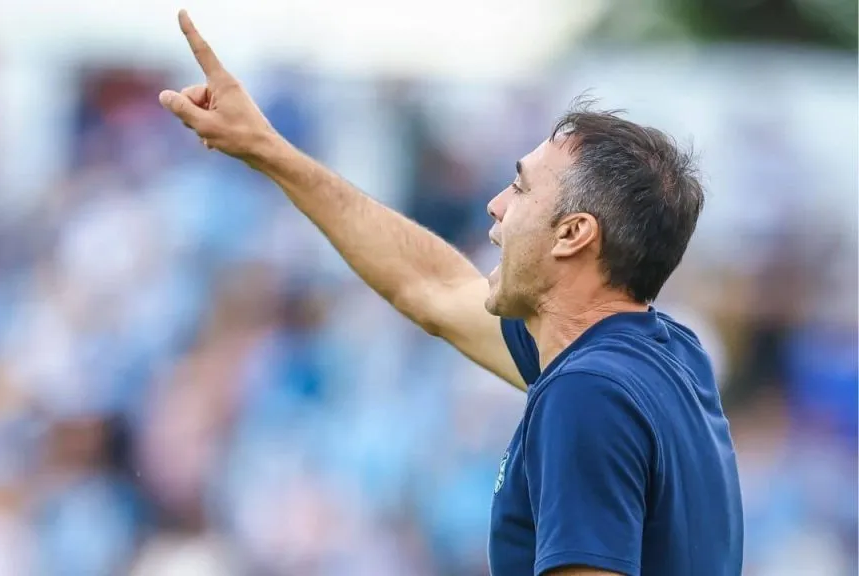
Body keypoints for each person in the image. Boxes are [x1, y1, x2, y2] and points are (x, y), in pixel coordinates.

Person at [158, 10, 744, 576]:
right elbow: (431, 288)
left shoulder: (586, 391)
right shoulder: (665, 356)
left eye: (520, 188)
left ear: (573, 234)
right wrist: (269, 149)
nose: (496, 206)